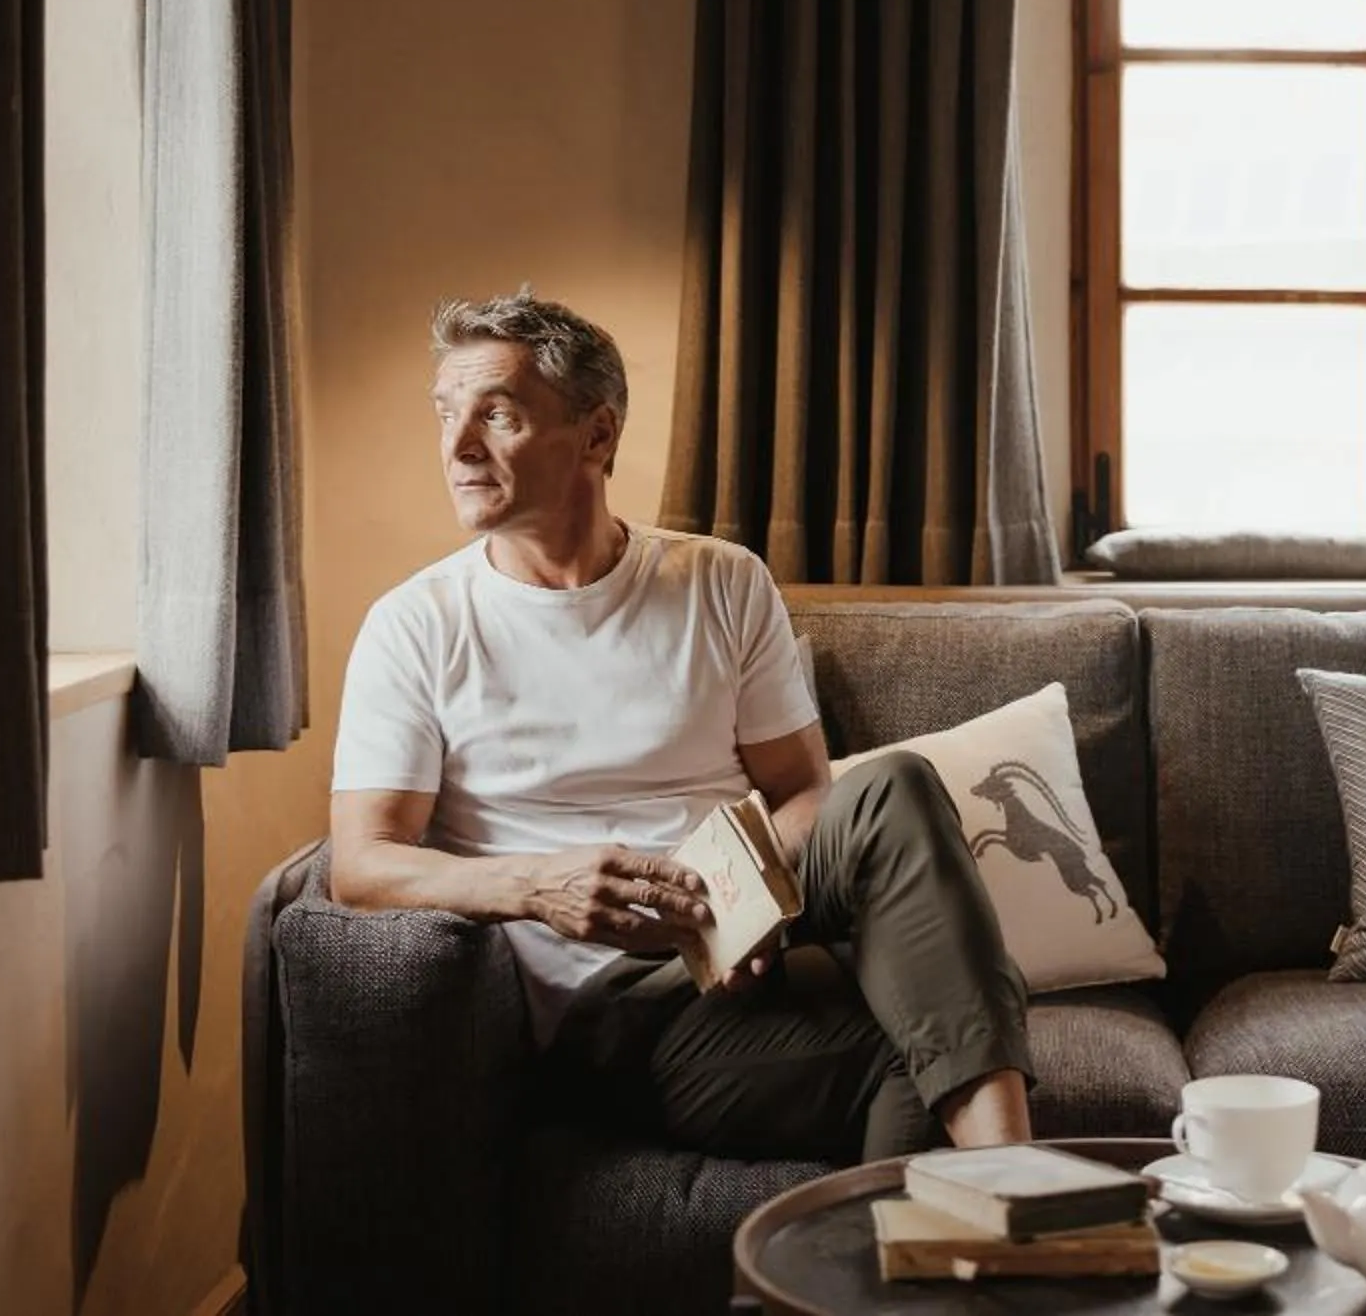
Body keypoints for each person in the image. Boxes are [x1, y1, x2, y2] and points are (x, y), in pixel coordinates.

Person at [328, 289, 1034, 1160]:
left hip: (738, 934)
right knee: (934, 1048)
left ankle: (1011, 1196)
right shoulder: (417, 623)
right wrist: (535, 887)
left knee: (896, 786)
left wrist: (739, 910)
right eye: (446, 414)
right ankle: (1013, 1202)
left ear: (597, 435)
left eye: (497, 414)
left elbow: (803, 791)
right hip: (608, 1006)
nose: (459, 446)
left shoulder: (720, 580)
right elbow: (360, 865)